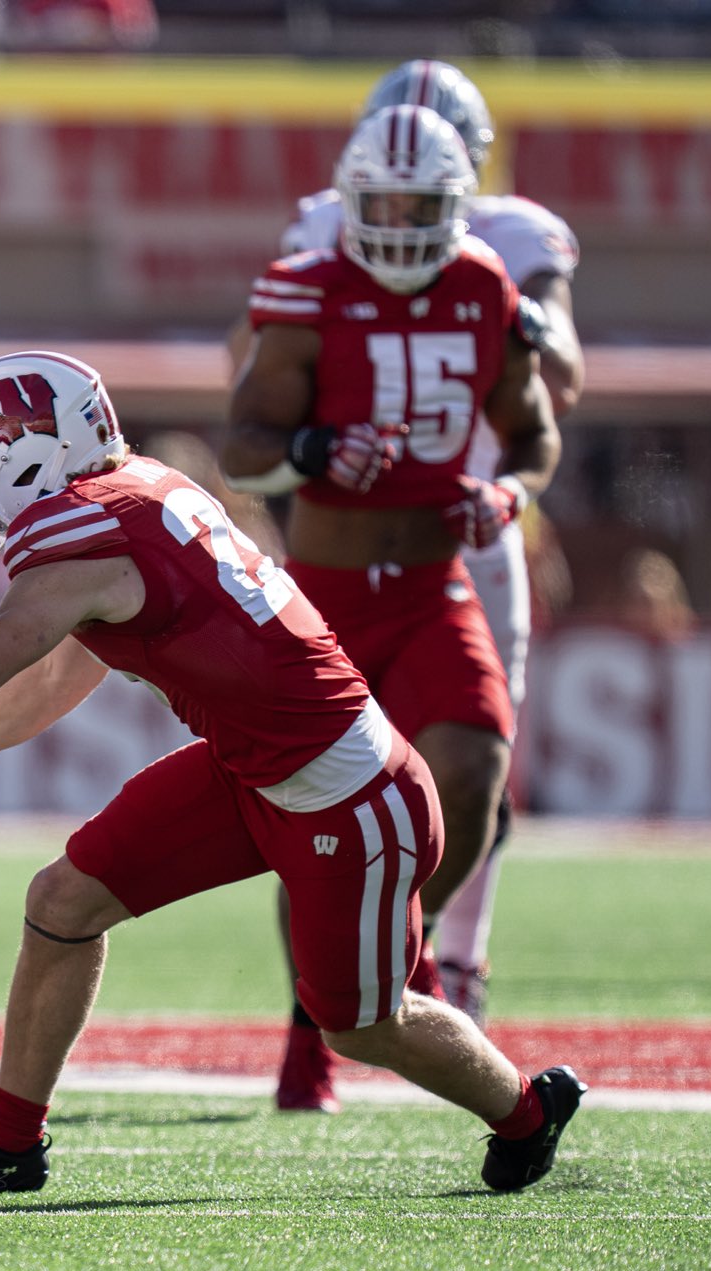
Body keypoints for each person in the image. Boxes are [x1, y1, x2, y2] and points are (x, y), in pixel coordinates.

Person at [0, 351, 584, 1195]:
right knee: (63, 902)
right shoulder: (136, 495)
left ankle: (525, 1112)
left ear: (39, 450)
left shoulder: (88, 529)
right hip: (254, 770)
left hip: (348, 797)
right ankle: (7, 1144)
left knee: (360, 1026)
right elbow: (56, 680)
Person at [219, 105, 560, 1113]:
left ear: (457, 205)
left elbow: (534, 432)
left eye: (422, 204)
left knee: (476, 773)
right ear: (352, 204)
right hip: (324, 598)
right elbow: (243, 444)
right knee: (315, 815)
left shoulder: (483, 287)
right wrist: (316, 450)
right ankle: (314, 1021)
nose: (403, 221)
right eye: (387, 203)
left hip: (431, 585)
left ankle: (395, 954)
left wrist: (507, 493)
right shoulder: (306, 289)